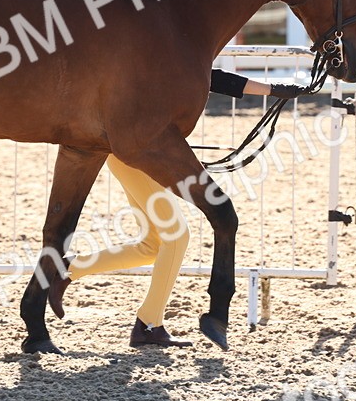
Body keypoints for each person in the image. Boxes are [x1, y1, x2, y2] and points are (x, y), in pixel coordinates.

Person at [48, 69, 306, 347]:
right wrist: (274, 89)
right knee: (176, 237)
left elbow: (211, 76)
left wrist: (274, 89)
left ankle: (68, 270)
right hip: (137, 154)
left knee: (151, 245)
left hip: (135, 152)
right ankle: (148, 325)